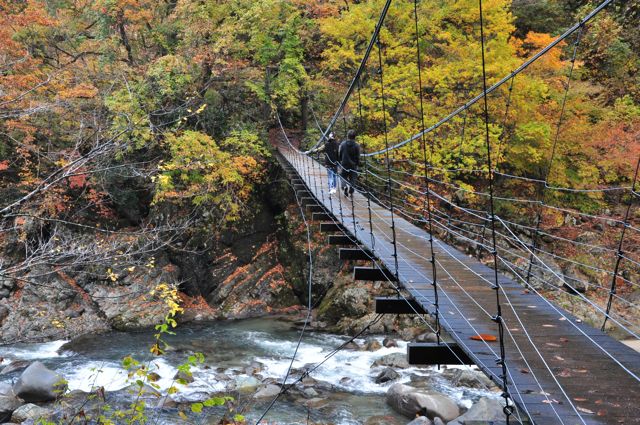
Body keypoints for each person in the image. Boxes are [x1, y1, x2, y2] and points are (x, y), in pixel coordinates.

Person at [338, 129, 362, 198]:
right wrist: (357, 164)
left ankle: (344, 186)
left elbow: (340, 154)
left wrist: (340, 161)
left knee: (343, 176)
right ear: (355, 137)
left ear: (348, 136)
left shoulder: (343, 144)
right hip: (353, 165)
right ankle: (351, 191)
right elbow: (358, 156)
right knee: (353, 178)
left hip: (344, 164)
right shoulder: (357, 146)